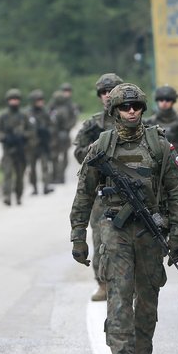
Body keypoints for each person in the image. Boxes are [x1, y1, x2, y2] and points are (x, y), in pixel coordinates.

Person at [69, 83, 178, 354]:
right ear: (115, 110)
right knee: (119, 294)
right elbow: (84, 194)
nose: (131, 111)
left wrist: (177, 237)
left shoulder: (159, 144)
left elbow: (176, 193)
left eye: (136, 106)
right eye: (125, 107)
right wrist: (79, 236)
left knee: (147, 297)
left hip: (150, 230)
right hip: (114, 228)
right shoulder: (102, 146)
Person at [72, 72, 123, 301]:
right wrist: (96, 152)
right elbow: (78, 152)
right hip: (101, 191)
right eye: (103, 92)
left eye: (110, 91)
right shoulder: (93, 124)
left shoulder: (133, 118)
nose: (106, 96)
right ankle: (102, 283)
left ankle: (128, 284)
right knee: (100, 240)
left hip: (128, 189)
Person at [0, 88, 31, 206]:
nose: (14, 102)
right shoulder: (4, 116)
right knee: (7, 174)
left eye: (16, 99)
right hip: (8, 150)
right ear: (8, 101)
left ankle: (19, 196)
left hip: (21, 150)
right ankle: (7, 196)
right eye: (12, 99)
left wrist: (23, 136)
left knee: (20, 175)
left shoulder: (23, 116)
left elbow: (31, 131)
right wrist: (4, 138)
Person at [144, 85, 178, 160]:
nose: (164, 102)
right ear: (157, 101)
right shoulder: (149, 122)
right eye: (161, 100)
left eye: (168, 100)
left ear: (173, 101)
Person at [49, 83, 79, 184]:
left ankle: (60, 175)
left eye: (68, 91)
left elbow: (73, 119)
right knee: (54, 155)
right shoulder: (54, 103)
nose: (66, 93)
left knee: (64, 155)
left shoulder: (71, 106)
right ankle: (55, 175)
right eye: (64, 91)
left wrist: (66, 129)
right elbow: (49, 116)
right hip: (54, 134)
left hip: (65, 133)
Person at [26, 89, 54, 195]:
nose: (41, 102)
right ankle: (34, 188)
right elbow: (24, 128)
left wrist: (46, 132)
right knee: (32, 168)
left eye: (42, 99)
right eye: (38, 100)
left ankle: (46, 186)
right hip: (31, 145)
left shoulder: (45, 112)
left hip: (43, 144)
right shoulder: (28, 113)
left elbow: (51, 125)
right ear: (33, 101)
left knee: (45, 166)